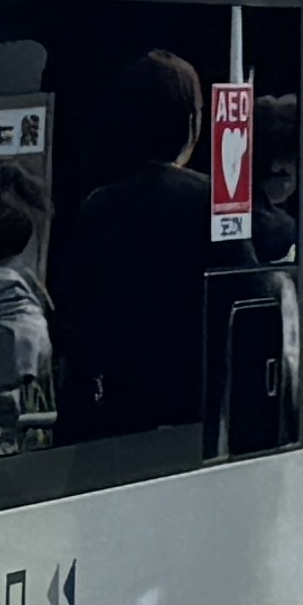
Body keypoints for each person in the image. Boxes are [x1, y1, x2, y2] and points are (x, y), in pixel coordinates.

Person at [54, 48, 215, 445]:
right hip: (195, 411)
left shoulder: (99, 206)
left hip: (117, 411)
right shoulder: (210, 202)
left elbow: (75, 310)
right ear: (190, 120)